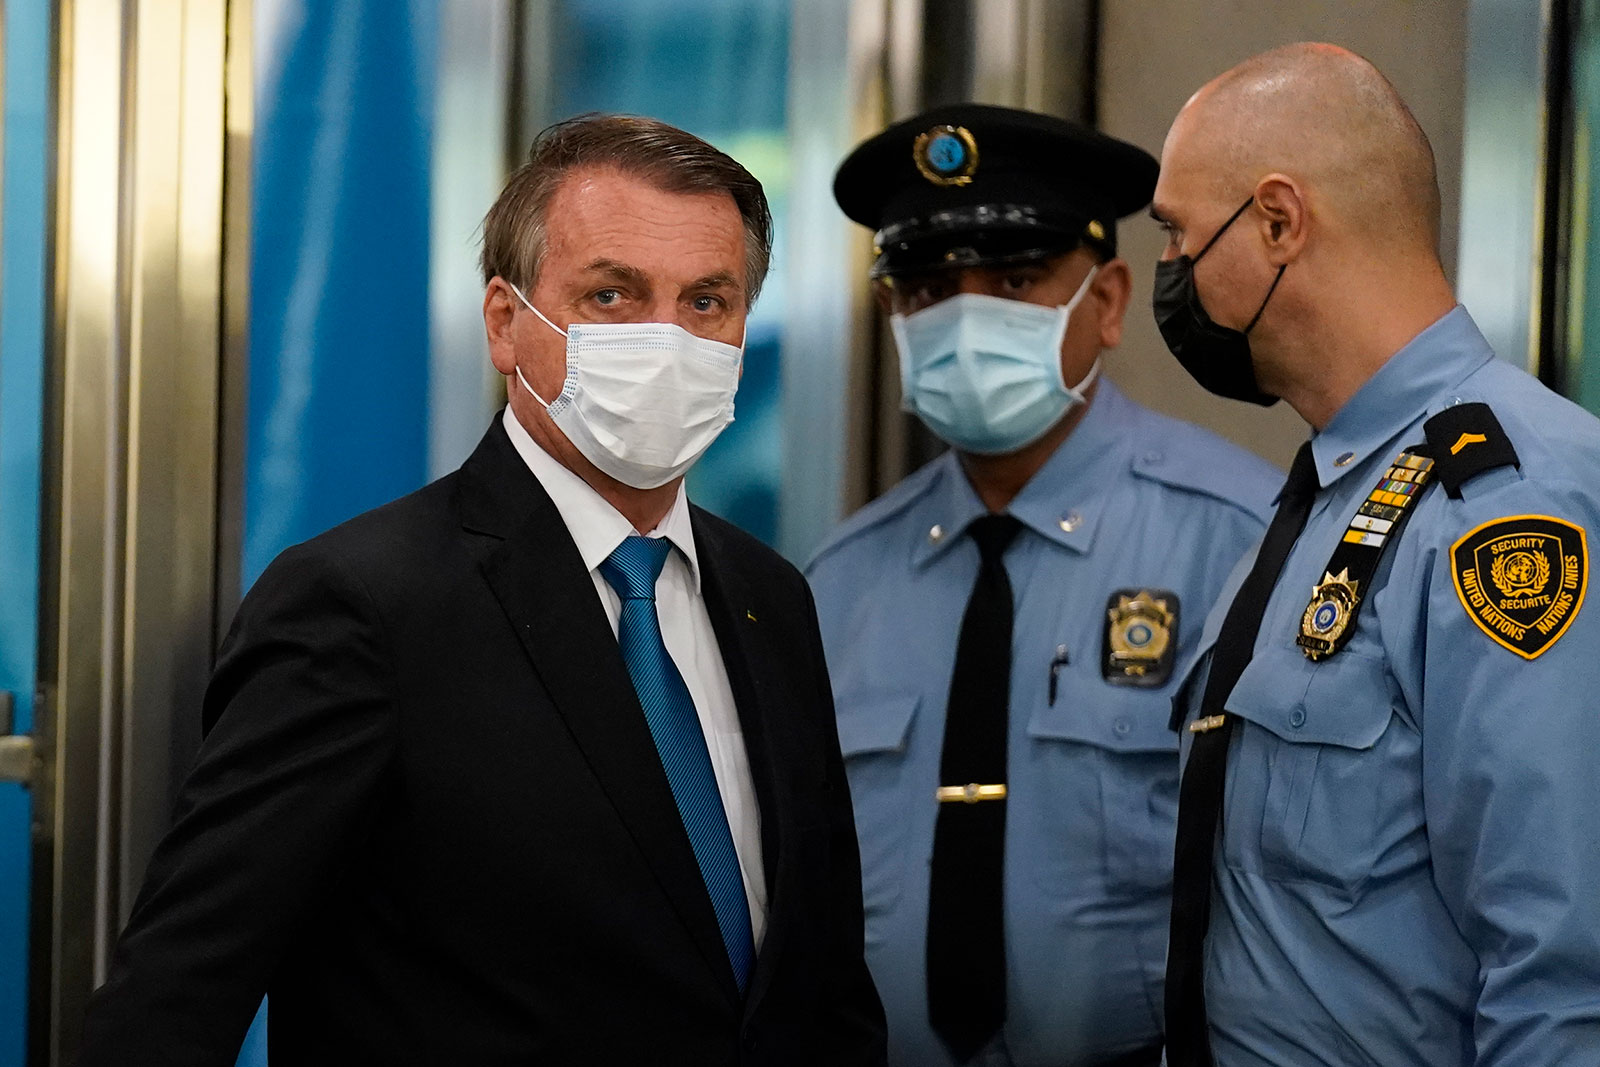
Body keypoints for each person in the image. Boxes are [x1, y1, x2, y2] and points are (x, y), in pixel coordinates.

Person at [77, 114, 886, 1066]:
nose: (665, 341)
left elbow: (820, 979)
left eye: (707, 301)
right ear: (506, 323)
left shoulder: (771, 597)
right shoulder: (361, 606)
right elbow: (178, 992)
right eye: (612, 294)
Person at [1153, 44, 1600, 1067]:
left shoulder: (1508, 502)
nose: (1168, 270)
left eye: (1177, 231)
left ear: (1276, 221)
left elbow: (1562, 976)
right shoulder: (1338, 491)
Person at [805, 104, 1279, 1067]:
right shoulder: (835, 583)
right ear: (893, 315)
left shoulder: (1240, 540)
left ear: (1105, 303)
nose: (965, 317)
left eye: (1016, 281)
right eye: (929, 288)